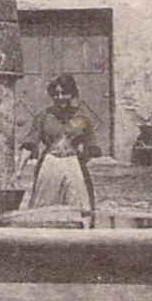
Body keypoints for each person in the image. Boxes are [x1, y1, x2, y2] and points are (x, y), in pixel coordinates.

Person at [20, 74, 101, 213]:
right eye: (56, 94)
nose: (60, 97)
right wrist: (18, 170)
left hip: (73, 162)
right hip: (50, 163)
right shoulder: (44, 116)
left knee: (79, 206)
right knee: (43, 207)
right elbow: (30, 143)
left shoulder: (83, 118)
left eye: (65, 93)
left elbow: (92, 146)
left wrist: (80, 160)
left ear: (73, 94)